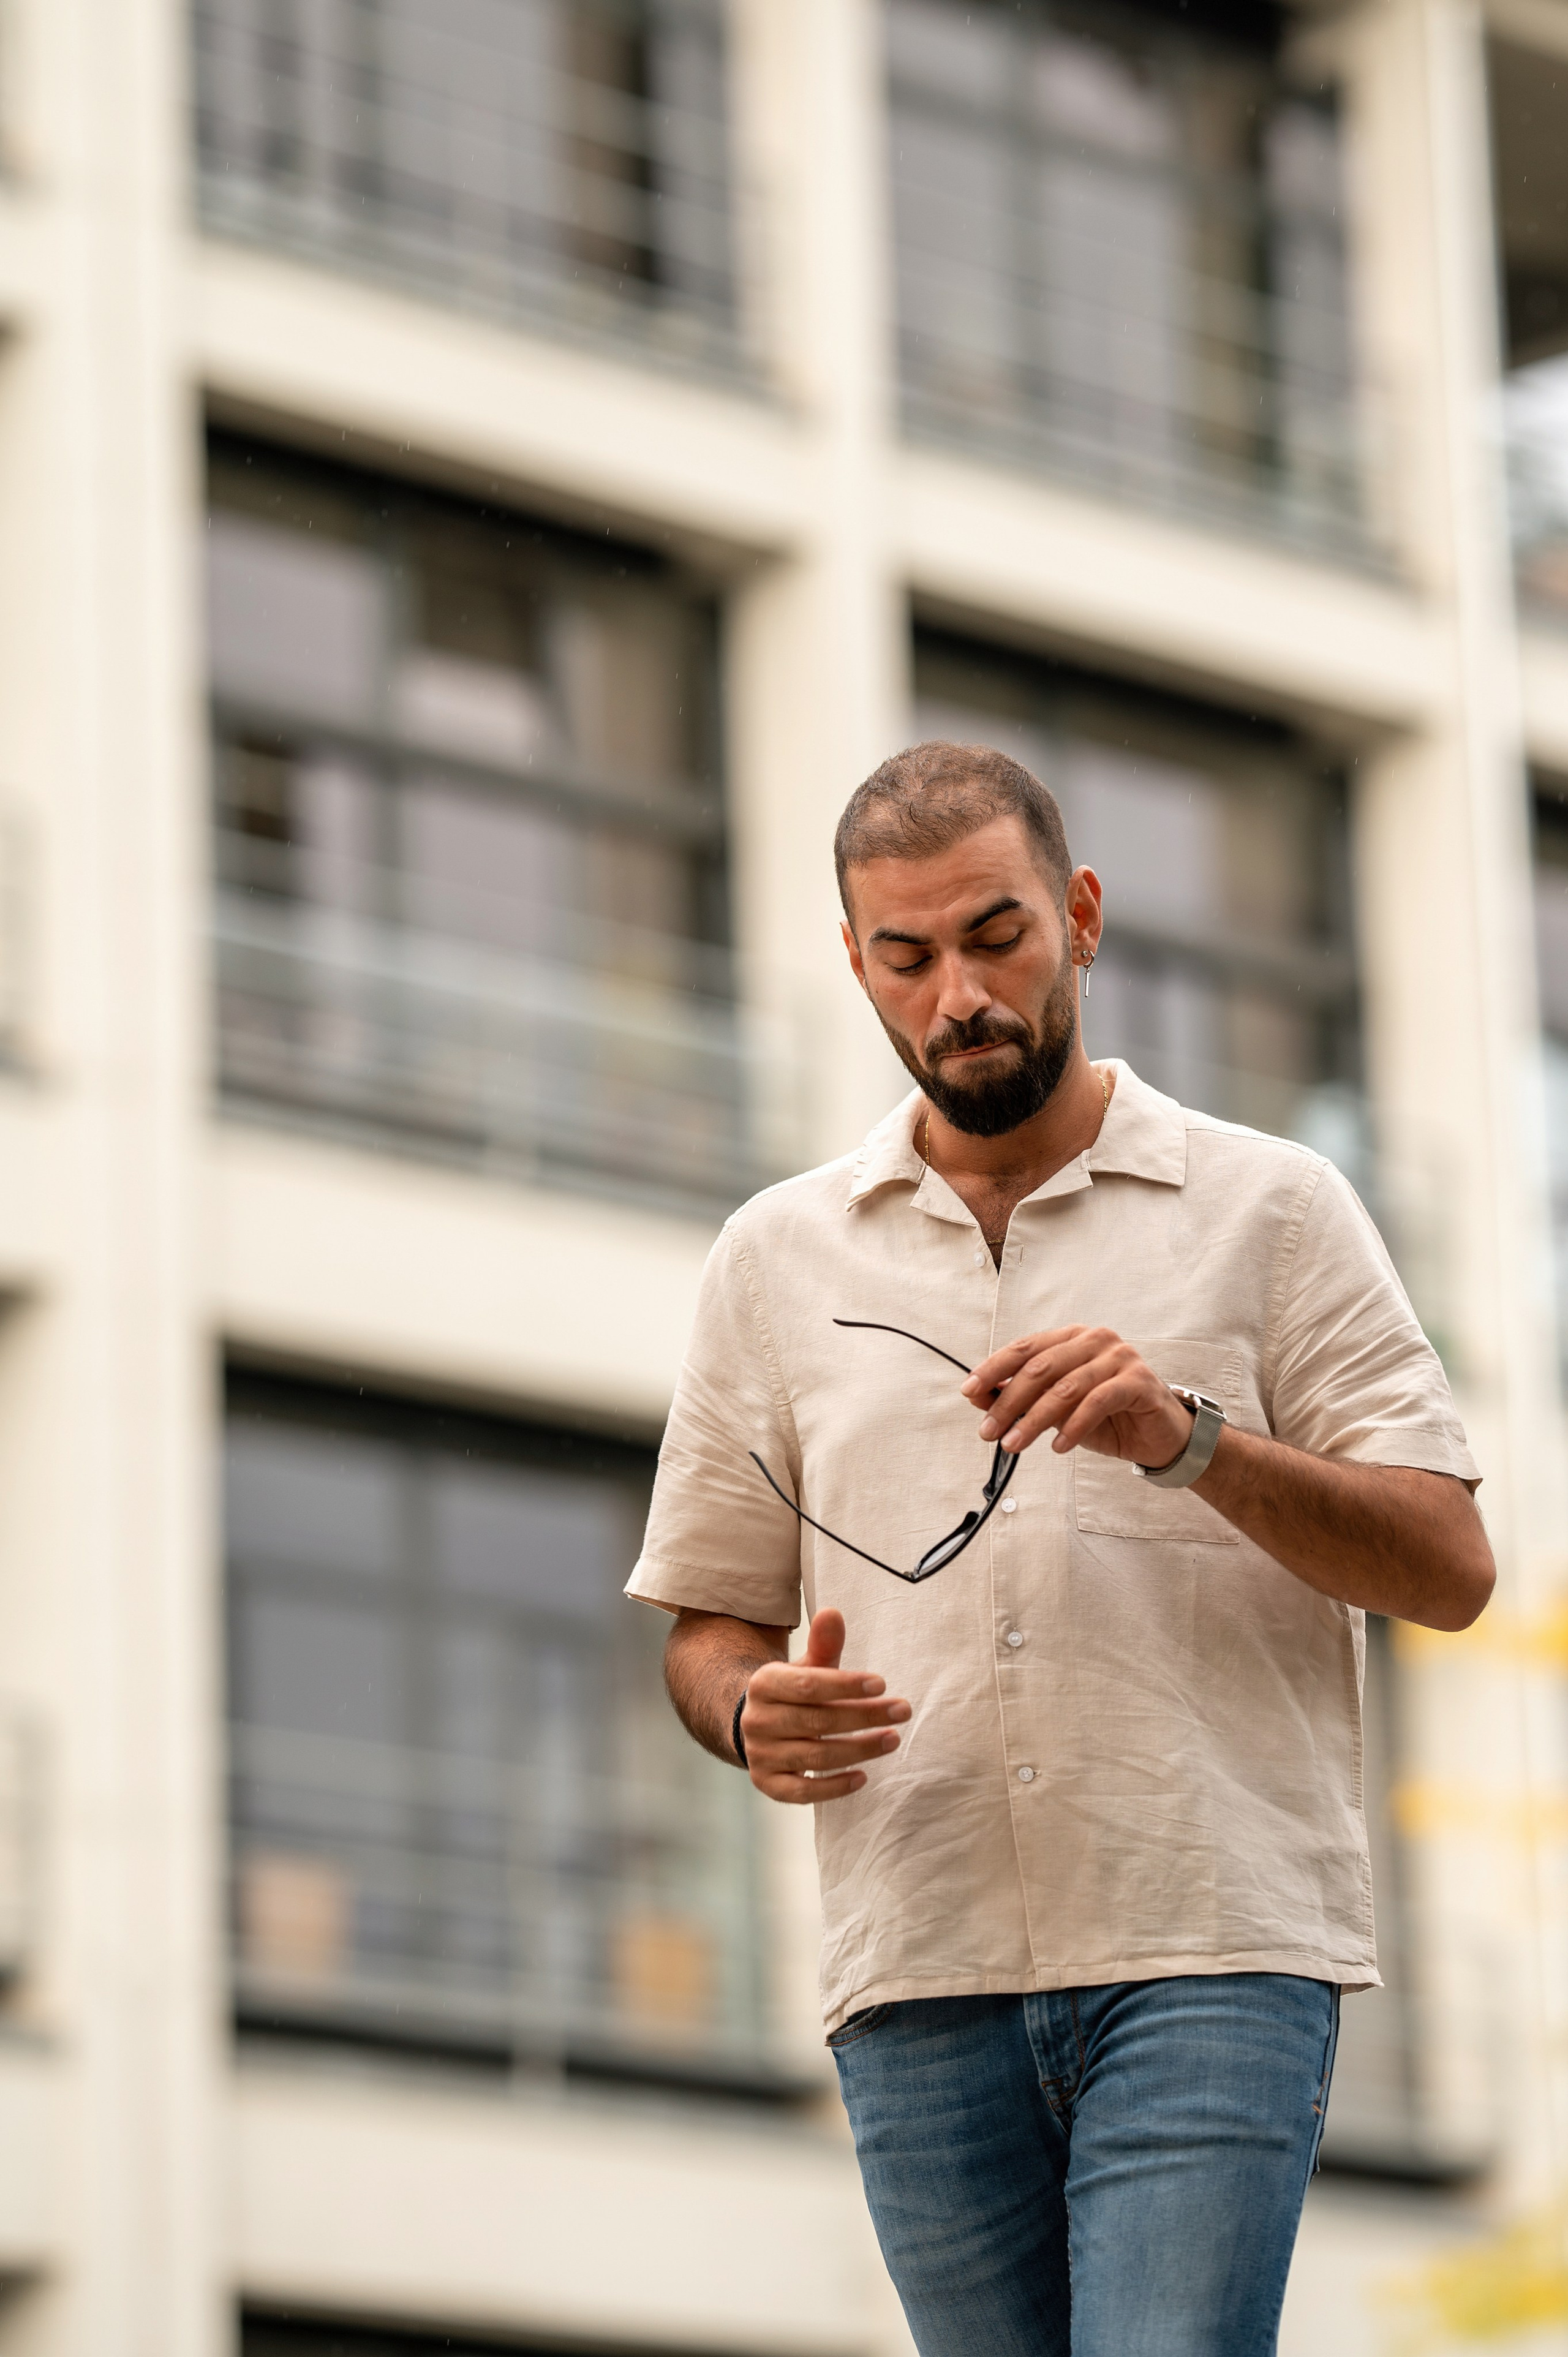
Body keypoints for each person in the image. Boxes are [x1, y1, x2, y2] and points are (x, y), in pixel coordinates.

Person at [626, 741, 1493, 2357]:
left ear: (1081, 916)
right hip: (919, 1967)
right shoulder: (774, 1259)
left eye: (997, 935)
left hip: (1211, 1951)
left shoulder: (1273, 1210)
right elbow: (707, 1625)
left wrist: (1196, 1440)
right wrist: (750, 1715)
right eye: (910, 957)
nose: (960, 993)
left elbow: (1447, 1564)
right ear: (859, 966)